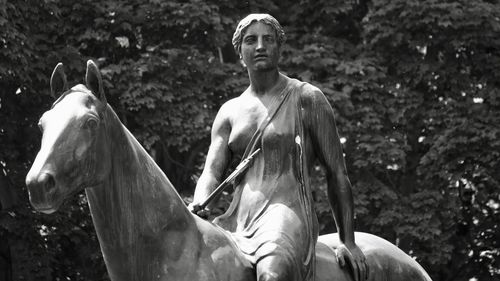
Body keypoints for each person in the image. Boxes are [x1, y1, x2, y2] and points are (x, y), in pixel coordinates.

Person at [189, 13, 367, 281]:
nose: (260, 46)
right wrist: (199, 202)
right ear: (240, 53)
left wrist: (348, 240)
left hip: (287, 214)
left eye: (267, 39)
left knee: (272, 274)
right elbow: (211, 173)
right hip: (237, 218)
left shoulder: (307, 98)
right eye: (251, 40)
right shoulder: (229, 111)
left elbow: (337, 173)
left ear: (279, 48)